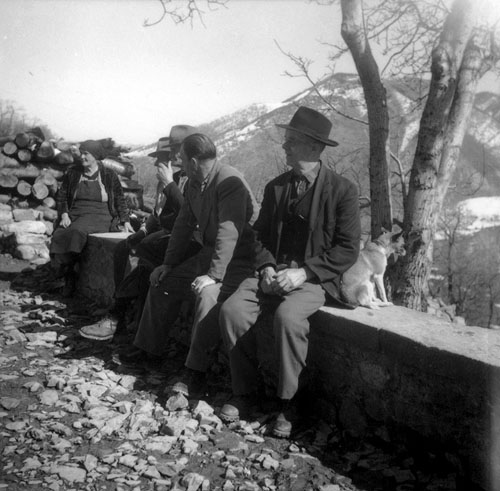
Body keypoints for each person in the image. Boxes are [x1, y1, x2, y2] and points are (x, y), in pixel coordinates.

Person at [218, 106, 361, 438]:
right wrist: (266, 266)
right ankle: (246, 392)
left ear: (313, 147)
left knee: (288, 318)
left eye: (291, 141)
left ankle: (289, 402)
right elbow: (258, 236)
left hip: (314, 279)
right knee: (232, 310)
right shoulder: (276, 187)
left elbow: (347, 249)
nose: (284, 146)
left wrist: (305, 273)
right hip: (273, 273)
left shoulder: (343, 190)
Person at [122, 133, 258, 397]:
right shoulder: (194, 183)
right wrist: (168, 264)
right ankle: (149, 350)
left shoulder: (228, 181)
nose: (179, 163)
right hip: (210, 253)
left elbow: (228, 232)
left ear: (194, 162)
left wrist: (214, 276)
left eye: (182, 159)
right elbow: (183, 226)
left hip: (240, 259)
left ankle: (196, 372)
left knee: (208, 296)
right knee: (163, 282)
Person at [79, 126, 199, 341]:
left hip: (187, 240)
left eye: (165, 156)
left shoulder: (192, 180)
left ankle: (120, 315)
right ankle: (125, 312)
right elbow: (158, 214)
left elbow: (189, 217)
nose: (158, 162)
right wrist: (143, 231)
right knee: (126, 248)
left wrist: (170, 185)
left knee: (144, 256)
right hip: (168, 235)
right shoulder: (173, 179)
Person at [50, 140, 133, 297]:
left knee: (77, 232)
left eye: (86, 154)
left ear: (95, 156)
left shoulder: (109, 175)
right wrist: (64, 214)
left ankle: (70, 276)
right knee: (60, 232)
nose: (82, 156)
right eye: (81, 153)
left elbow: (120, 199)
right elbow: (62, 196)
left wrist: (125, 220)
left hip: (100, 214)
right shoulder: (73, 173)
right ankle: (67, 272)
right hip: (75, 213)